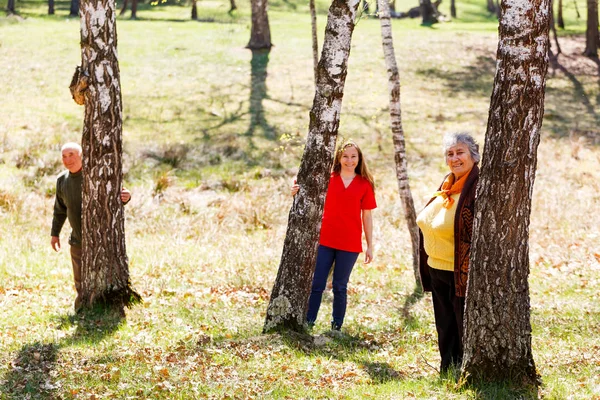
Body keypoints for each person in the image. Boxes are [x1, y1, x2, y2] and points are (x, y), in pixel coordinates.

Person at [292, 139, 377, 331]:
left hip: (350, 242)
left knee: (340, 286)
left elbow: (368, 216)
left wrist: (370, 245)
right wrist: (294, 190)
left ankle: (336, 327)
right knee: (317, 284)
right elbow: (303, 186)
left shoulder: (365, 184)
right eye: (345, 156)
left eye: (353, 156)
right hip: (325, 240)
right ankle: (309, 323)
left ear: (359, 158)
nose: (349, 160)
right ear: (338, 158)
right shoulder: (328, 178)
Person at [416, 132, 480, 373]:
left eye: (460, 152)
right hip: (436, 268)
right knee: (444, 324)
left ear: (473, 155)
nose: (455, 158)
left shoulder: (477, 187)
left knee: (462, 323)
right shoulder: (447, 185)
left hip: (460, 271)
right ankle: (448, 368)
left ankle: (466, 370)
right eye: (450, 154)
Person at [50, 142, 131, 311]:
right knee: (79, 280)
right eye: (64, 156)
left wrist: (125, 196)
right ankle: (82, 311)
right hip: (77, 240)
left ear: (81, 155)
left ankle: (108, 308)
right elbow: (59, 210)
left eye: (71, 154)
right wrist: (55, 233)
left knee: (103, 277)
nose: (67, 159)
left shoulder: (94, 176)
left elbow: (116, 195)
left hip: (100, 240)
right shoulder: (62, 180)